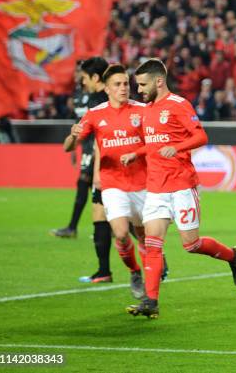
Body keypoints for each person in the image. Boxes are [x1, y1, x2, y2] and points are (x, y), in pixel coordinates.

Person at [121, 58, 236, 319]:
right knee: (153, 244)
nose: (139, 90)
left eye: (143, 84)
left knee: (191, 244)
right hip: (155, 188)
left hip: (181, 185)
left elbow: (201, 136)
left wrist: (176, 148)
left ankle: (232, 256)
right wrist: (137, 152)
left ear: (159, 81)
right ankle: (151, 301)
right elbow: (155, 143)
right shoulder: (147, 110)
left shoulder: (178, 105)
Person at [63, 64, 148, 299]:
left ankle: (151, 289)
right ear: (108, 89)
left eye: (125, 84)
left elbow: (156, 142)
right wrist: (72, 134)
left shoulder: (142, 111)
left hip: (142, 183)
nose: (124, 88)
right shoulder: (95, 113)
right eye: (118, 85)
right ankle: (135, 272)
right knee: (121, 233)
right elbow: (68, 146)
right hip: (113, 184)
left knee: (143, 236)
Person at [56, 57, 114, 283]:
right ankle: (104, 271)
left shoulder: (101, 102)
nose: (82, 81)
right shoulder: (98, 100)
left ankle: (155, 259)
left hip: (108, 164)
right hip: (97, 160)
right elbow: (75, 136)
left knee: (118, 217)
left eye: (85, 77)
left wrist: (94, 166)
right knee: (105, 214)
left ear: (95, 77)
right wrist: (73, 141)